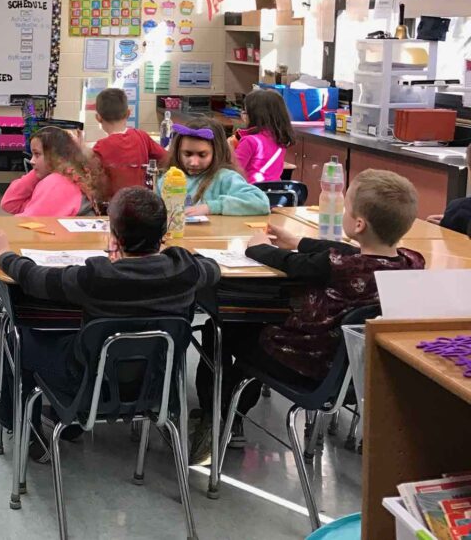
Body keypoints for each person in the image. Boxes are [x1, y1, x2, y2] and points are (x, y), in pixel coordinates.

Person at [190, 169, 423, 464]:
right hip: (356, 375)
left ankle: (218, 416)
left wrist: (257, 247)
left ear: (359, 223)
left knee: (220, 328)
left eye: (346, 208)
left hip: (302, 362)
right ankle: (231, 412)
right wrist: (300, 241)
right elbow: (348, 252)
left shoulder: (334, 266)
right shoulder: (411, 261)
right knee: (247, 333)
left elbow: (291, 263)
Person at [0, 187, 219, 461]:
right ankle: (67, 422)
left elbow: (35, 278)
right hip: (156, 385)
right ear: (164, 233)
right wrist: (171, 254)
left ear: (115, 236)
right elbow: (212, 268)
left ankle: (29, 429)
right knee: (90, 336)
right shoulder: (186, 270)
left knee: (19, 336)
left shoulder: (98, 277)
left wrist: (5, 255)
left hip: (87, 382)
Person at [0, 126, 104, 389]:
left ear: (55, 157)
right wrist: (36, 172)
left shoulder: (57, 184)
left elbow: (22, 226)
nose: (31, 160)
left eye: (38, 155)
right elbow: (10, 203)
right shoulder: (68, 176)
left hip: (39, 267)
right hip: (53, 261)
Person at [161, 118, 270, 216]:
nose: (194, 162)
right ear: (178, 152)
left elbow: (261, 202)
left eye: (202, 155)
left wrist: (212, 207)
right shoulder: (168, 178)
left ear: (217, 153)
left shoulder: (225, 178)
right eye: (187, 154)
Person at [91, 87, 168, 198]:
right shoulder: (142, 137)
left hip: (113, 207)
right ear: (128, 113)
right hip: (142, 202)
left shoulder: (99, 147)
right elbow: (167, 158)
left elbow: (90, 177)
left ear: (98, 118)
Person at [232, 89, 295, 183]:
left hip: (250, 194)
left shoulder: (249, 141)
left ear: (254, 115)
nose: (243, 116)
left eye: (245, 112)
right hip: (273, 193)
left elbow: (232, 172)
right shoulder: (280, 139)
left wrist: (229, 149)